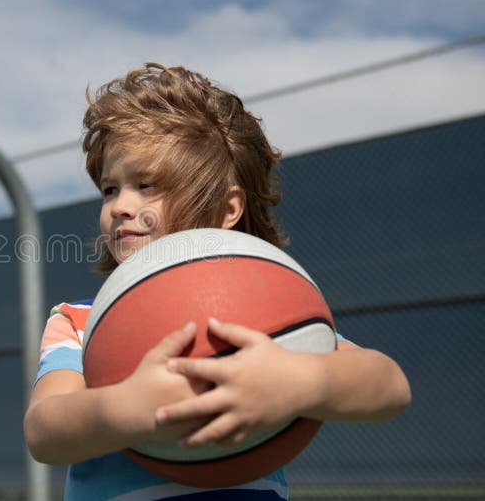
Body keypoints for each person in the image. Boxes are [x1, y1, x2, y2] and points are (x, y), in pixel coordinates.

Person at [23, 63, 411, 500]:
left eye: (146, 184)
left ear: (229, 210)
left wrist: (302, 381)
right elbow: (44, 430)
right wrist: (130, 406)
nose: (120, 206)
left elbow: (390, 386)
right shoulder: (81, 322)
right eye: (110, 189)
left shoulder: (264, 311)